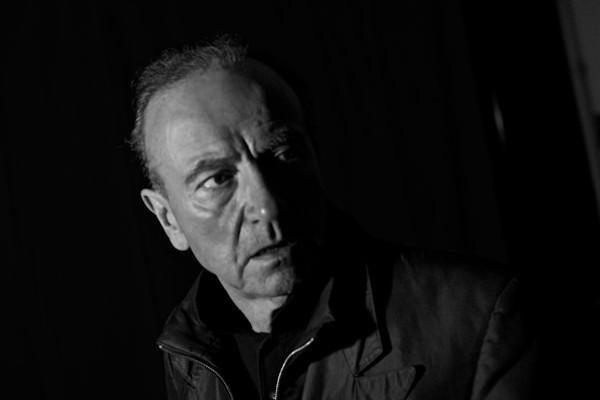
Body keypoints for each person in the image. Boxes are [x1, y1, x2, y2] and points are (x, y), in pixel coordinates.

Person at [131, 36, 537, 399]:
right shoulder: (188, 357)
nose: (267, 207)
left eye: (285, 155)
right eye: (218, 179)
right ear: (168, 219)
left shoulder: (480, 317)